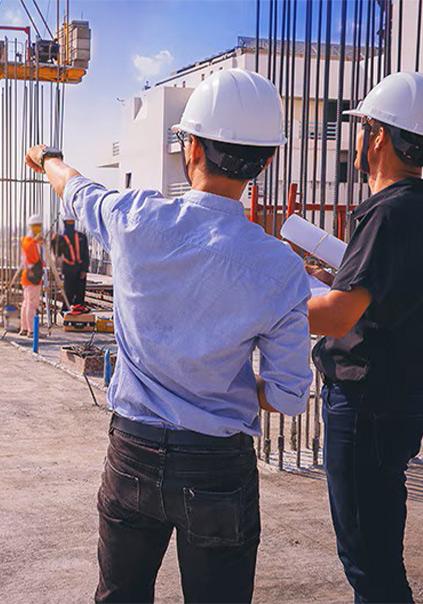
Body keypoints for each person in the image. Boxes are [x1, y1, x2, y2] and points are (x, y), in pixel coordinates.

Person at [25, 69, 312, 603]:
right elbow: (291, 395)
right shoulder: (280, 267)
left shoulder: (136, 219)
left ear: (192, 148)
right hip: (218, 466)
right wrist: (215, 390)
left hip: (131, 451)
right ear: (265, 161)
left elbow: (75, 187)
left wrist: (46, 158)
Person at [308, 71, 423, 603]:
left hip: (365, 405)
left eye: (362, 128)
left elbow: (336, 317)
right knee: (377, 552)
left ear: (377, 136)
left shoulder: (390, 210)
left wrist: (265, 298)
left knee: (369, 564)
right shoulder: (413, 207)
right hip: (395, 401)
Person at [53, 216, 90, 313]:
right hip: (69, 270)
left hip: (80, 269)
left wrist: (84, 270)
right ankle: (66, 311)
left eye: (72, 221)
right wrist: (53, 242)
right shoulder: (61, 238)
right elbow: (57, 254)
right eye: (69, 221)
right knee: (68, 292)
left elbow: (86, 254)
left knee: (80, 292)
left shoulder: (82, 237)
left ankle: (79, 311)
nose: (70, 223)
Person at [19, 213, 43, 337]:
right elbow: (34, 260)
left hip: (26, 276)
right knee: (32, 304)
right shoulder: (31, 243)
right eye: (36, 226)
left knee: (26, 302)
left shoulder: (26, 240)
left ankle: (24, 328)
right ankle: (32, 331)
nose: (38, 228)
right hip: (32, 276)